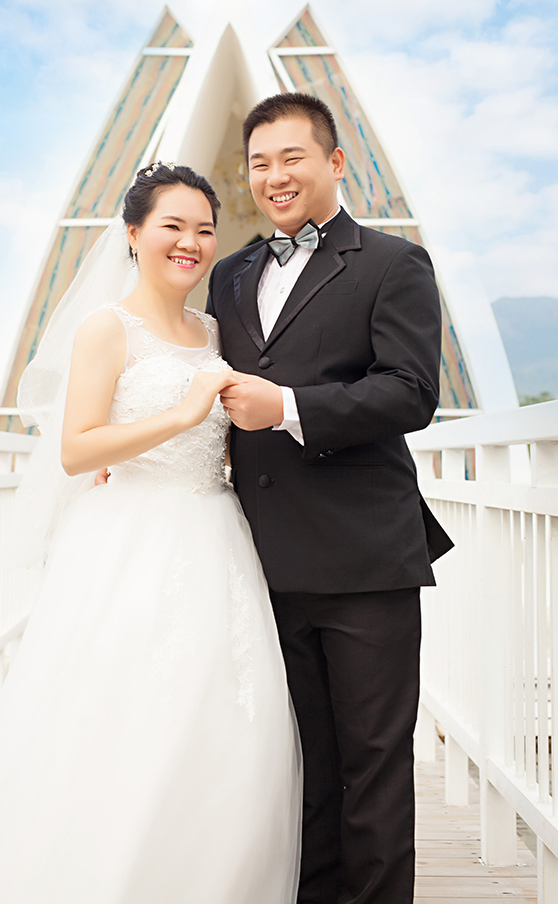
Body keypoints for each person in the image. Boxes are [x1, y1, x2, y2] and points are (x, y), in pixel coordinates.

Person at [0, 163, 301, 904]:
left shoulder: (215, 332)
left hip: (216, 534)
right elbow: (77, 448)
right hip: (131, 538)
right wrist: (181, 415)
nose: (190, 243)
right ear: (133, 234)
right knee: (116, 717)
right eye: (172, 226)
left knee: (223, 719)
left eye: (204, 230)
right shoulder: (106, 328)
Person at [207, 92, 454, 904]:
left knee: (372, 764)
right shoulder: (230, 273)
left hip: (363, 558)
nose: (273, 176)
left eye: (291, 158)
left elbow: (410, 391)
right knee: (300, 763)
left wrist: (286, 406)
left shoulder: (392, 263)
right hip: (262, 558)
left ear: (334, 162)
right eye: (259, 163)